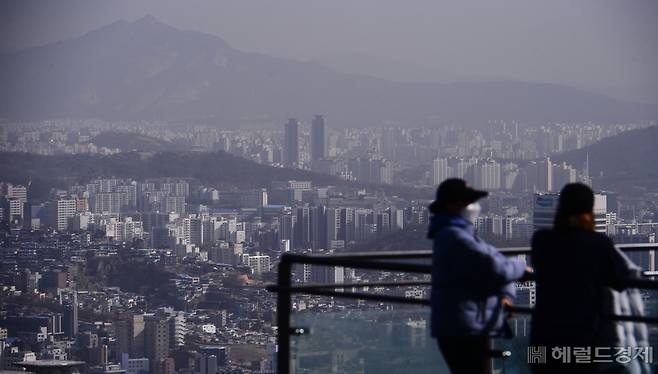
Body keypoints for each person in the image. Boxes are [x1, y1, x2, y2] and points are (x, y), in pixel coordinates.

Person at [530, 183, 635, 373]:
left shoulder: (542, 240)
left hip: (544, 335)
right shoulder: (599, 244)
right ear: (590, 210)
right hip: (583, 336)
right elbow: (621, 280)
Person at [428, 178, 530, 374]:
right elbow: (495, 267)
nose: (473, 206)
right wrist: (520, 267)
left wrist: (507, 295)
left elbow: (494, 263)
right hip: (463, 327)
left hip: (470, 322)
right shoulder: (454, 236)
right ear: (451, 205)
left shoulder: (462, 234)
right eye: (467, 201)